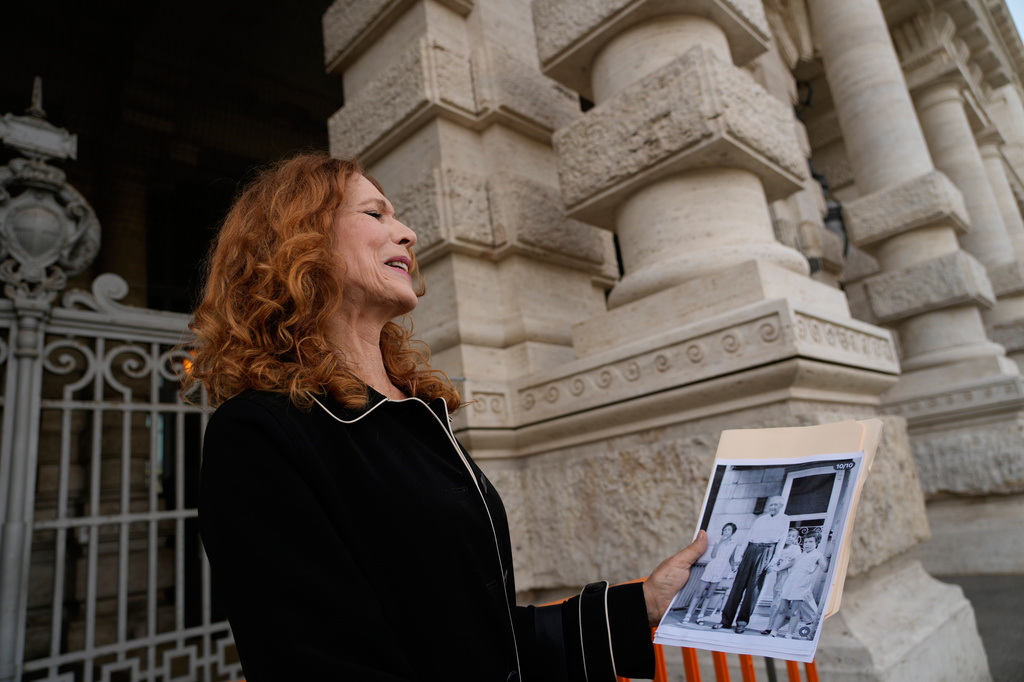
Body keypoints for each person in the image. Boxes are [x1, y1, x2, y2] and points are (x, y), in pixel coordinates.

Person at [186, 152, 708, 682]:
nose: (408, 233)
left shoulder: (413, 413)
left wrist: (642, 602)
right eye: (375, 215)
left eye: (397, 216)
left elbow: (484, 641)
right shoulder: (258, 434)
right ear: (302, 241)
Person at [714, 496, 790, 634]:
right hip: (750, 550)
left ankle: (742, 623)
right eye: (771, 504)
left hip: (766, 552)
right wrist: (739, 557)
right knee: (737, 587)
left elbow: (781, 542)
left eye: (775, 505)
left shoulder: (784, 520)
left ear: (781, 506)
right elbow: (748, 537)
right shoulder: (760, 520)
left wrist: (773, 561)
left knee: (753, 590)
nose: (772, 507)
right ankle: (725, 621)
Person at [768, 534, 828, 639]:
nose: (807, 544)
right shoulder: (799, 555)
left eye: (810, 542)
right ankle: (773, 632)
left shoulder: (818, 555)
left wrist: (828, 557)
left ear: (816, 543)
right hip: (790, 583)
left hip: (802, 584)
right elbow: (788, 565)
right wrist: (777, 568)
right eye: (805, 542)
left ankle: (789, 634)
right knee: (782, 609)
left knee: (794, 611)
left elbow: (824, 568)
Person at [682, 522, 738, 626]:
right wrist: (720, 542)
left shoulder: (734, 545)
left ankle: (701, 616)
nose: (726, 531)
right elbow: (713, 555)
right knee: (699, 593)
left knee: (709, 595)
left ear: (732, 532)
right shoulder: (718, 541)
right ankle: (688, 615)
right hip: (711, 569)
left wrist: (735, 567)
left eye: (728, 530)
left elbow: (731, 558)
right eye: (725, 529)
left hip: (719, 571)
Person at [761, 527, 802, 635]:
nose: (790, 538)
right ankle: (772, 625)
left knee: (781, 602)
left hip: (789, 576)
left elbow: (794, 561)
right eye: (789, 535)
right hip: (779, 576)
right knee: (776, 601)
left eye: (793, 536)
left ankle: (772, 627)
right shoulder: (780, 548)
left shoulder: (795, 548)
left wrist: (779, 568)